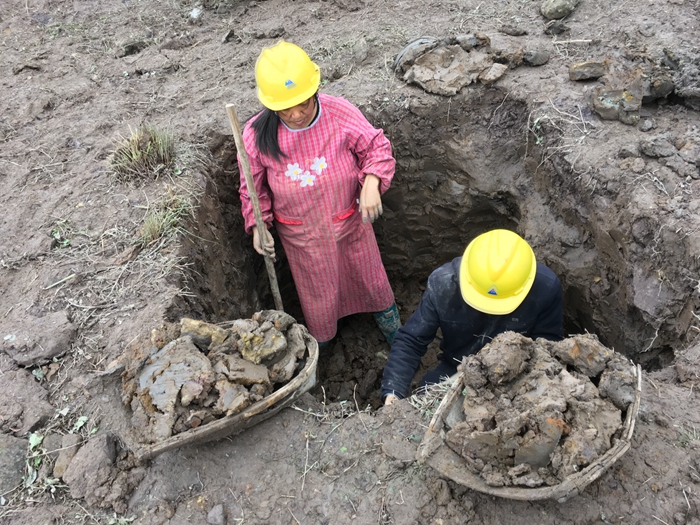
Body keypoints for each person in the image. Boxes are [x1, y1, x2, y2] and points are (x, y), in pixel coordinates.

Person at [238, 41, 400, 346]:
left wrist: (371, 182)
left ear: (315, 91)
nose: (297, 114)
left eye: (304, 104)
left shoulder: (339, 112)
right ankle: (322, 348)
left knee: (372, 282)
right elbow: (252, 188)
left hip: (351, 224)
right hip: (304, 240)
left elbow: (376, 147)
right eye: (286, 109)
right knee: (319, 298)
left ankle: (396, 334)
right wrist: (258, 225)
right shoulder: (255, 134)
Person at [381, 229, 564, 405]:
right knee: (424, 401)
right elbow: (411, 340)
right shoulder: (444, 284)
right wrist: (393, 392)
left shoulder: (545, 289)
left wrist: (501, 366)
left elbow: (548, 346)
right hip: (454, 367)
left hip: (514, 375)